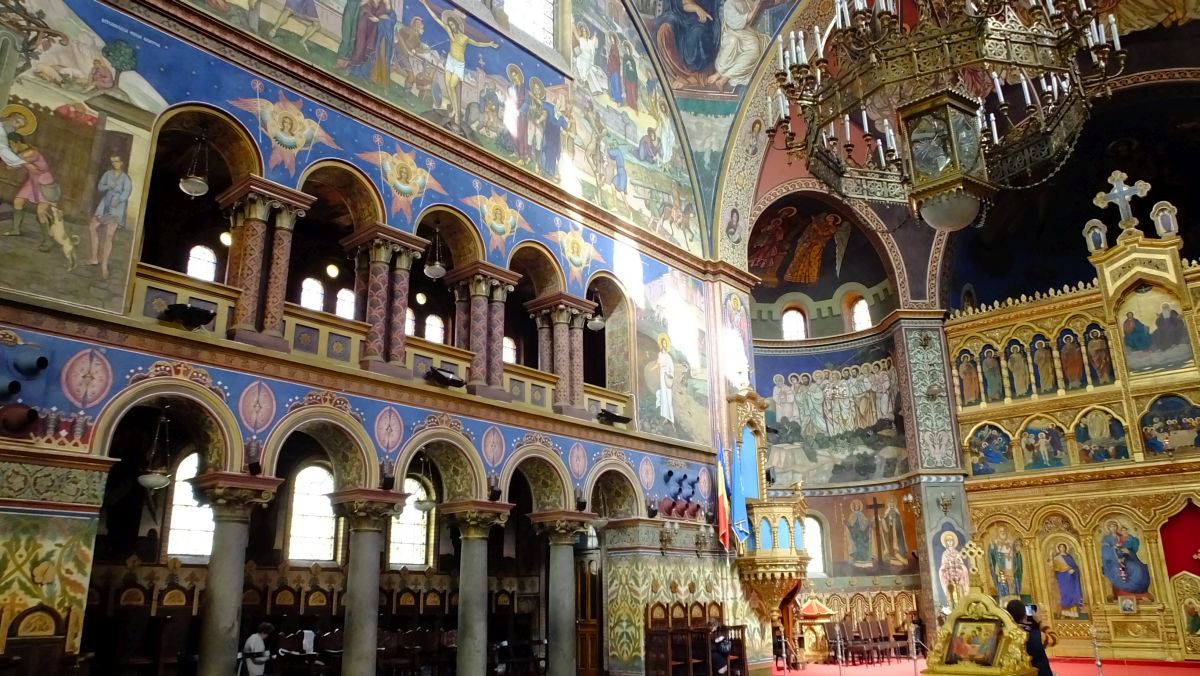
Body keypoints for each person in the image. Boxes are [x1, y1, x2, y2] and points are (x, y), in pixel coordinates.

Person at [1005, 600, 1052, 676]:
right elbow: (1054, 638)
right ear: (1025, 615)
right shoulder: (1037, 635)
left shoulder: (1004, 635)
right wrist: (1040, 622)